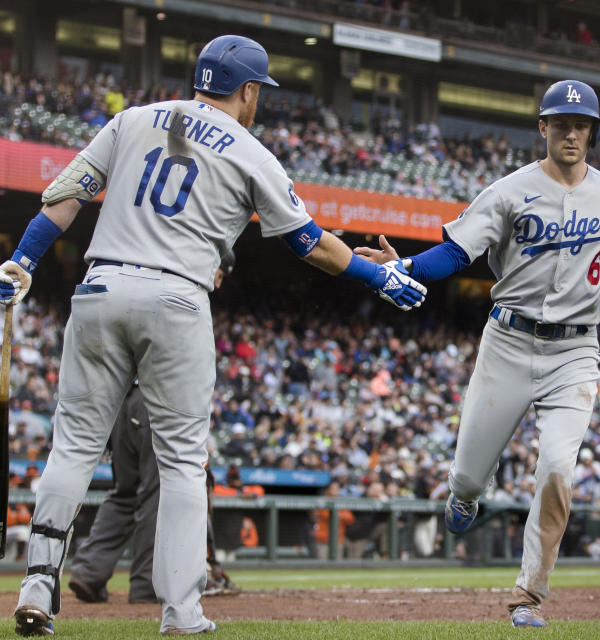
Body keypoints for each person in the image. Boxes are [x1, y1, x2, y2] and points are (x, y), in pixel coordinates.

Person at [2, 34, 427, 637]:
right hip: (177, 296)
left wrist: (21, 261)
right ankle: (181, 613)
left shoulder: (131, 118)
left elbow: (64, 197)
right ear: (248, 90)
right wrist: (375, 276)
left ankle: (38, 589)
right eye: (261, 92)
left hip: (99, 288)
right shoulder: (252, 152)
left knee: (72, 448)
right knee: (180, 463)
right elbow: (308, 244)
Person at [356, 79, 600, 627]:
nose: (570, 132)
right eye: (559, 123)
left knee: (559, 469)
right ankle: (465, 495)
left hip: (576, 350)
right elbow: (455, 252)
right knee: (469, 478)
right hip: (508, 342)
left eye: (580, 124)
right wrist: (402, 269)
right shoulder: (509, 190)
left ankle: (528, 595)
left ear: (593, 132)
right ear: (542, 127)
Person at [67, 253, 237, 606]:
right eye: (220, 273)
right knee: (156, 495)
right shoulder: (183, 291)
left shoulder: (149, 279)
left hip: (123, 404)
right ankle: (147, 584)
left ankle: (89, 572)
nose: (219, 282)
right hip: (153, 403)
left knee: (124, 492)